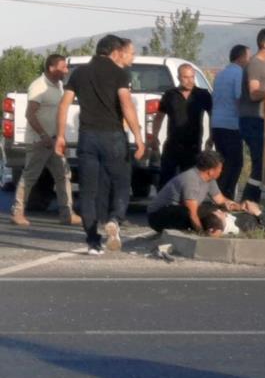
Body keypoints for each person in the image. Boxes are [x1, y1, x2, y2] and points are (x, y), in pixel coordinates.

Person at [55, 35, 145, 255]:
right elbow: (125, 104)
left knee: (88, 191)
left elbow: (64, 104)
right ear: (115, 52)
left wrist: (60, 136)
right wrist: (139, 136)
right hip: (113, 136)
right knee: (122, 183)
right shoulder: (119, 73)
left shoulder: (79, 73)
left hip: (87, 137)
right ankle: (114, 219)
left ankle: (93, 242)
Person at [10, 54, 81, 227]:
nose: (66, 70)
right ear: (51, 68)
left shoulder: (58, 86)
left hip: (55, 141)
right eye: (63, 67)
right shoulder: (39, 86)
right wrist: (43, 135)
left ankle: (67, 214)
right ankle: (17, 212)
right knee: (30, 176)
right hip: (39, 142)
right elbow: (30, 114)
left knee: (63, 175)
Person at [147, 150, 243, 233]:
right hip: (158, 215)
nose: (221, 171)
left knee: (214, 209)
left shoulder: (210, 180)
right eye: (220, 169)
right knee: (195, 212)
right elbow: (192, 213)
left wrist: (240, 207)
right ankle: (205, 231)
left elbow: (221, 200)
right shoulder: (191, 180)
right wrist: (201, 233)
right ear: (210, 171)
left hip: (181, 210)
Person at [153, 64, 213, 188]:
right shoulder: (170, 95)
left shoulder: (202, 95)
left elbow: (213, 116)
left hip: (193, 145)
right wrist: (154, 137)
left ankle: (186, 206)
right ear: (179, 77)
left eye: (192, 77)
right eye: (186, 77)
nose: (190, 80)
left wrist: (212, 137)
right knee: (165, 180)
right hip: (172, 145)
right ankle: (163, 206)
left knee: (190, 182)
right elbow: (159, 117)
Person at [238, 28, 265, 203]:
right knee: (260, 163)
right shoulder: (256, 64)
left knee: (264, 163)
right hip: (253, 120)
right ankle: (248, 200)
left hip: (262, 120)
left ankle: (254, 201)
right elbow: (253, 93)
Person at [211, 45, 249, 200]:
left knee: (222, 164)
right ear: (241, 58)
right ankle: (225, 197)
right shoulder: (239, 74)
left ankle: (219, 196)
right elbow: (240, 98)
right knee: (235, 164)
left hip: (217, 124)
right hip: (231, 125)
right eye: (248, 57)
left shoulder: (220, 75)